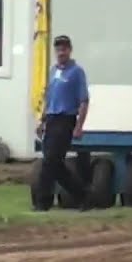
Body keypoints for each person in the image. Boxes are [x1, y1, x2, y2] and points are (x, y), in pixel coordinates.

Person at [34, 35, 91, 211]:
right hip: (52, 119)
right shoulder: (53, 71)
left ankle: (43, 203)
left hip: (65, 119)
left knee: (50, 161)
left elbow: (83, 100)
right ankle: (83, 196)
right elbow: (49, 98)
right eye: (58, 50)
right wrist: (42, 121)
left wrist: (79, 126)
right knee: (55, 164)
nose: (61, 53)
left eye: (64, 49)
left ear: (70, 50)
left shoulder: (76, 72)